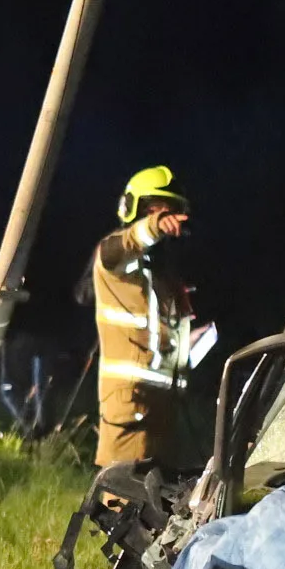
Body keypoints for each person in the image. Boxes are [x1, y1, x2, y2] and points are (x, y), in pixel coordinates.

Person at [81, 167, 197, 469]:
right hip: (131, 404)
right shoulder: (116, 259)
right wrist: (153, 227)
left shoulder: (162, 276)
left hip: (164, 405)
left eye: (171, 210)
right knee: (124, 493)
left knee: (162, 495)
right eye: (156, 209)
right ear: (135, 209)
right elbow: (119, 246)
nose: (165, 217)